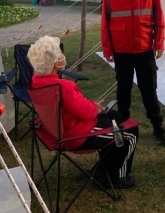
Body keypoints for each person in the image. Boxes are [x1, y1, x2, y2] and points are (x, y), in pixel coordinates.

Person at [27, 35, 138, 189]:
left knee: (116, 116)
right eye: (60, 54)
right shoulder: (63, 86)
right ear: (54, 62)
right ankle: (115, 178)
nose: (63, 56)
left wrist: (93, 107)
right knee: (129, 131)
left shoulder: (35, 82)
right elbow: (85, 113)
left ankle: (105, 168)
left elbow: (75, 107)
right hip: (75, 136)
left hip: (55, 130)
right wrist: (95, 108)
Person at [101, 0, 165, 146]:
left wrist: (158, 42)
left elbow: (159, 17)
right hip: (121, 51)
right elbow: (105, 23)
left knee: (149, 90)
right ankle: (124, 126)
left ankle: (158, 127)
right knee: (123, 90)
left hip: (144, 49)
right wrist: (107, 49)